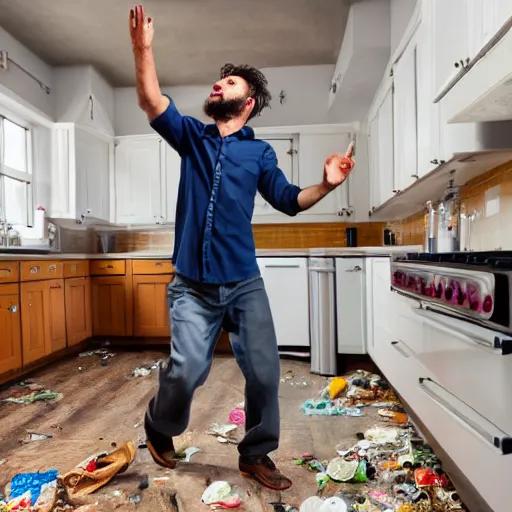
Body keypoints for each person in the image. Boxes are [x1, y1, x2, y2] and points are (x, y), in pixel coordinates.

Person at [129, 4, 355, 491]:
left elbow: (290, 200)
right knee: (188, 369)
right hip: (192, 285)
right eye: (219, 81)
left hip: (243, 284)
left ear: (248, 102)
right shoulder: (192, 137)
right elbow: (151, 100)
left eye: (230, 83)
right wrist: (143, 50)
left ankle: (255, 454)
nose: (219, 84)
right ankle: (159, 425)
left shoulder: (260, 153)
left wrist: (327, 184)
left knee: (266, 373)